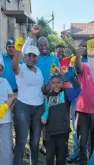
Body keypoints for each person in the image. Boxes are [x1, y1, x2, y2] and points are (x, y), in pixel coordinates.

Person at [22, 25, 60, 155]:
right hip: (35, 93)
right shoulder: (34, 57)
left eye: (45, 44)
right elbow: (24, 52)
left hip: (50, 92)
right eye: (40, 44)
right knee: (34, 122)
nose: (43, 46)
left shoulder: (54, 58)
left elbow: (58, 75)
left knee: (47, 120)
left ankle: (44, 144)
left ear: (48, 44)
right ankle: (33, 145)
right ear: (37, 45)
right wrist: (31, 34)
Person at [71, 41, 94, 165]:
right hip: (82, 110)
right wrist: (77, 56)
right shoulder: (85, 66)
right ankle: (82, 161)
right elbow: (77, 67)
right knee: (82, 139)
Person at [12, 36, 45, 165]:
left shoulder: (39, 71)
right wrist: (17, 51)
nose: (32, 58)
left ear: (37, 57)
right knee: (21, 140)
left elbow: (43, 88)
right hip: (23, 107)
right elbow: (14, 67)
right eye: (29, 55)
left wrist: (58, 74)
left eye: (34, 56)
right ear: (25, 57)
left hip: (38, 108)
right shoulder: (21, 68)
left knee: (35, 141)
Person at [41, 71, 82, 165]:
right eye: (53, 83)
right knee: (49, 157)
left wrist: (68, 75)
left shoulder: (66, 94)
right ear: (50, 84)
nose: (56, 85)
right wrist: (43, 117)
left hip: (62, 132)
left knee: (61, 158)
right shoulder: (48, 97)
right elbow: (46, 111)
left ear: (63, 83)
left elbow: (78, 88)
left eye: (59, 82)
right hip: (50, 132)